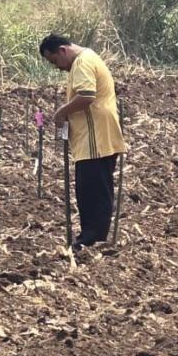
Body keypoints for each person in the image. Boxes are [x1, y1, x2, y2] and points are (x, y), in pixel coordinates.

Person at [39, 34, 127, 251]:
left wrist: (61, 112)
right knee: (92, 186)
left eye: (54, 61)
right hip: (94, 136)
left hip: (95, 136)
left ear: (62, 50)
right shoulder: (87, 58)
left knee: (93, 189)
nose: (57, 67)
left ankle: (92, 237)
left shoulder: (82, 62)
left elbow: (87, 95)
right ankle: (92, 235)